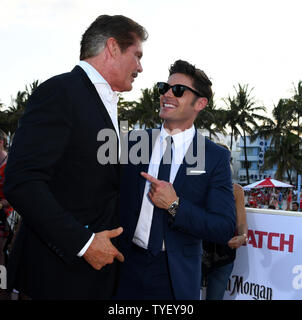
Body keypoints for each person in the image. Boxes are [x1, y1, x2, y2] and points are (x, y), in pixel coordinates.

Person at [3, 15, 148, 300]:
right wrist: (83, 243)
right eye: (137, 55)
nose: (141, 67)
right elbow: (22, 182)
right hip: (59, 276)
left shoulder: (105, 103)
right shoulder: (60, 92)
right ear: (113, 47)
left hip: (96, 277)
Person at [115, 60, 236, 300]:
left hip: (174, 277)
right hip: (123, 267)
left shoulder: (214, 157)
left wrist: (174, 205)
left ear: (200, 103)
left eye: (178, 90)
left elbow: (223, 228)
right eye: (164, 88)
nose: (167, 94)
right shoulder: (132, 143)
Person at [202, 143, 248, 300]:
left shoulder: (237, 190)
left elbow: (241, 222)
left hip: (225, 253)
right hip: (198, 251)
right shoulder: (196, 186)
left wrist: (243, 236)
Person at [0, 130, 14, 264]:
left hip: (6, 217)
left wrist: (1, 204)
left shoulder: (10, 165)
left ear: (1, 143)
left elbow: (16, 195)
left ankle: (3, 284)